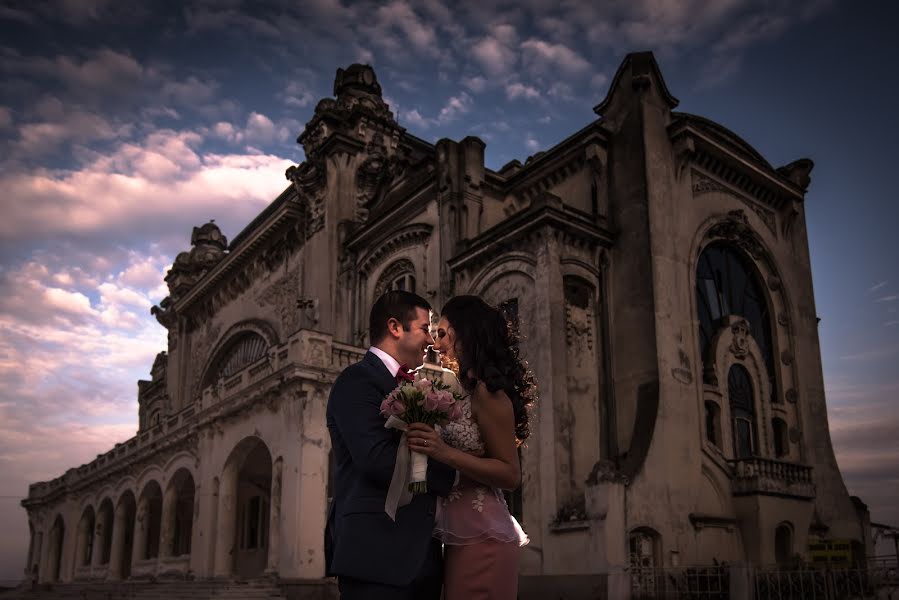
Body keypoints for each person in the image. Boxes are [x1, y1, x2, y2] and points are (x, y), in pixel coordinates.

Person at [325, 290, 457, 600]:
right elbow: (377, 459)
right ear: (395, 327)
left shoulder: (418, 386)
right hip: (376, 555)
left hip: (422, 559)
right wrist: (452, 473)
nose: (431, 341)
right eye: (424, 329)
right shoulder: (356, 380)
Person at [407, 295, 536, 600]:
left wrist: (444, 452)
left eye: (442, 334)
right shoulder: (461, 392)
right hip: (457, 533)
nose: (436, 345)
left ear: (466, 333)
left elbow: (510, 474)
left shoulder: (489, 395)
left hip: (483, 535)